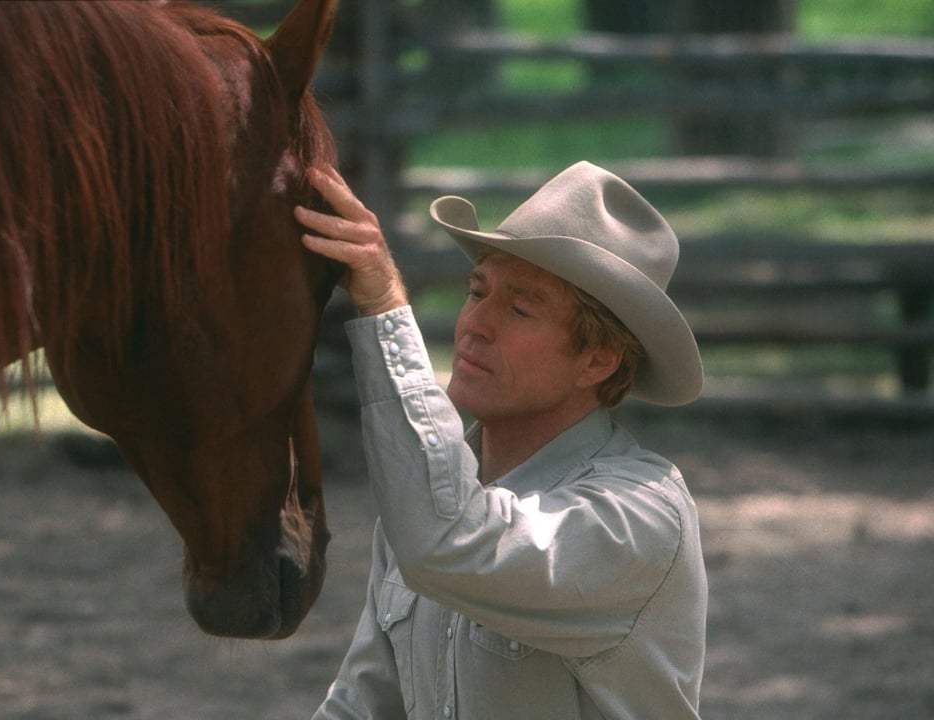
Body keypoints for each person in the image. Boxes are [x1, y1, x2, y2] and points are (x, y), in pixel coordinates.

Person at [295, 161, 708, 720]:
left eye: (519, 308)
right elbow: (364, 706)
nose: (476, 324)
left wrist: (385, 307)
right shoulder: (424, 496)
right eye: (477, 291)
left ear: (598, 360)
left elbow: (448, 541)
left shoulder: (638, 517)